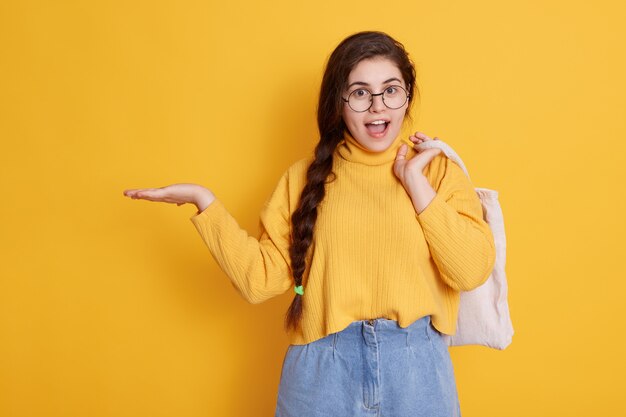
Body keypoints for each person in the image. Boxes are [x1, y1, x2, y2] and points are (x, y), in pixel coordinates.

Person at [124, 31, 495, 417]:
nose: (377, 106)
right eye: (360, 93)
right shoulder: (303, 179)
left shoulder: (437, 171)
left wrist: (416, 184)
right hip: (322, 373)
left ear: (408, 95)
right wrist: (205, 203)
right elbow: (259, 281)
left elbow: (470, 272)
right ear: (339, 102)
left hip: (418, 372)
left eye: (391, 90)